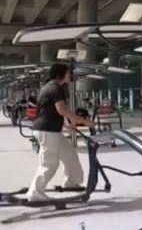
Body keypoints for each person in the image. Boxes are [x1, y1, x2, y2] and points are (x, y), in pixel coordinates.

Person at [26, 64, 93, 202]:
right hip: (47, 131)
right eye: (67, 73)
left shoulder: (48, 87)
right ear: (60, 74)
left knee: (69, 155)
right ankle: (35, 191)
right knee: (49, 163)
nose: (69, 75)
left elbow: (50, 110)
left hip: (51, 130)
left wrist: (67, 123)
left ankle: (71, 182)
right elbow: (61, 110)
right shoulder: (56, 88)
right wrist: (85, 121)